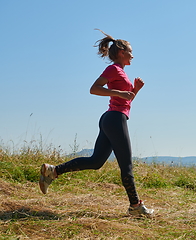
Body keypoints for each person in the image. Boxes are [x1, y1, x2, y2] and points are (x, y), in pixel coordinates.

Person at [39, 29, 154, 216]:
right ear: (122, 52)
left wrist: (136, 90)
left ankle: (53, 171)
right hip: (114, 119)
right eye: (131, 51)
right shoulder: (113, 69)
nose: (133, 55)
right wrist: (119, 93)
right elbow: (94, 89)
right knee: (126, 165)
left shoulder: (122, 73)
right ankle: (135, 206)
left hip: (113, 118)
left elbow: (126, 101)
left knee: (96, 161)